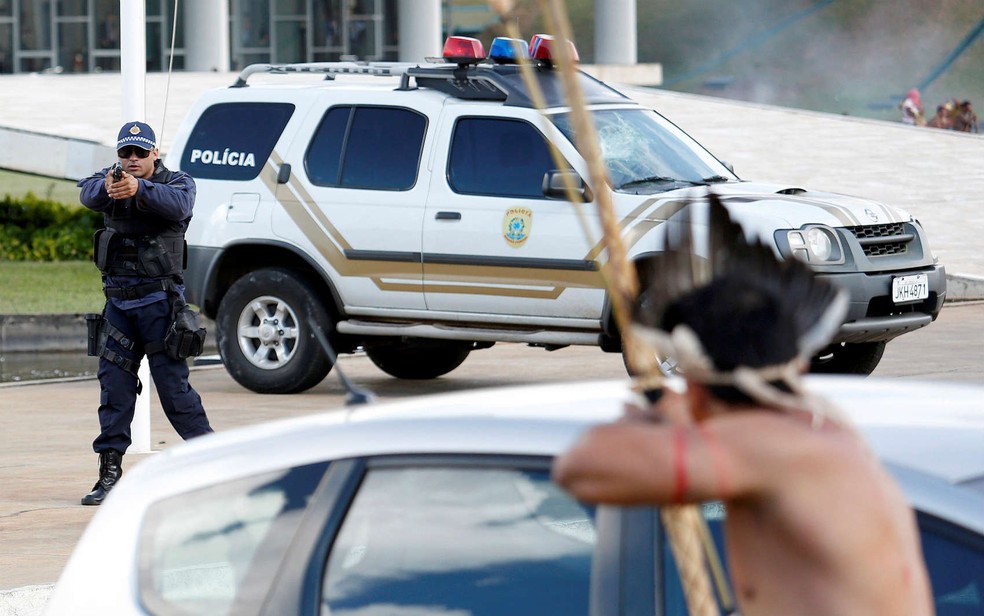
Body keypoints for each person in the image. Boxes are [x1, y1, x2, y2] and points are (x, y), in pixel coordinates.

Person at [552, 195, 935, 615]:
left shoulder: (759, 446)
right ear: (799, 362)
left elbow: (578, 469)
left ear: (695, 387)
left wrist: (665, 412)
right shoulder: (824, 429)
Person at [77, 121, 213, 506]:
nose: (132, 160)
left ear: (155, 153)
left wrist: (140, 189)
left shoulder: (177, 183)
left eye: (140, 152)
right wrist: (108, 186)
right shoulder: (109, 181)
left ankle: (214, 465)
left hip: (160, 306)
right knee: (114, 393)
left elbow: (179, 206)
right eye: (126, 153)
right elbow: (87, 193)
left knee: (176, 393)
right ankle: (109, 473)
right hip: (118, 306)